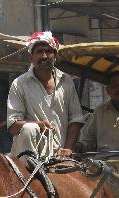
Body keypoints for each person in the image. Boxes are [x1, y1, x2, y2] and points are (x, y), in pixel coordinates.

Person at [7, 31, 84, 160]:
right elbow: (13, 127)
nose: (44, 56)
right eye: (39, 51)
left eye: (49, 51)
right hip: (28, 158)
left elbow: (76, 119)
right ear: (31, 58)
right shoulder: (19, 84)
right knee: (29, 128)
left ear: (55, 56)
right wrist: (37, 125)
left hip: (59, 156)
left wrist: (68, 148)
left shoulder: (67, 82)